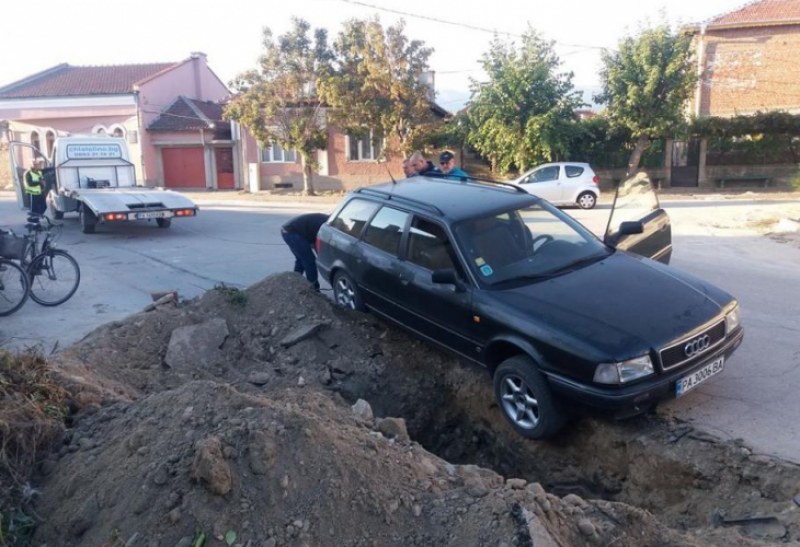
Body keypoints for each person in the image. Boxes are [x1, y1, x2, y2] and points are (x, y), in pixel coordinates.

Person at [281, 212, 329, 291]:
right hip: (292, 233)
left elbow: (315, 244)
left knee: (301, 260)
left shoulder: (325, 220)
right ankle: (313, 288)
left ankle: (294, 283)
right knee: (309, 261)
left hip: (289, 230)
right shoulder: (325, 225)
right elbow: (318, 246)